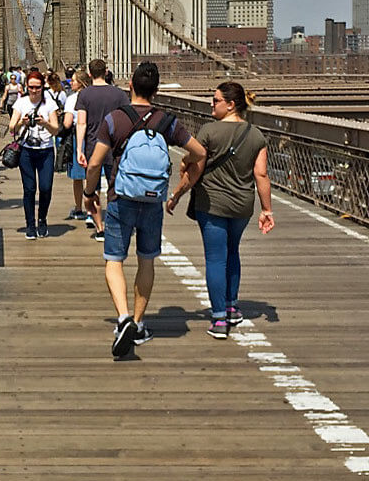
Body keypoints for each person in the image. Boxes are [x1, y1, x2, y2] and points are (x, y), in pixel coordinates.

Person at [85, 62, 206, 358]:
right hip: (153, 201)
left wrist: (89, 194)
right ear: (157, 90)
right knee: (147, 261)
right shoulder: (167, 121)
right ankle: (138, 324)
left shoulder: (115, 120)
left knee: (114, 259)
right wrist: (184, 163)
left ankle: (123, 318)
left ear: (130, 87)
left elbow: (95, 163)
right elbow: (201, 152)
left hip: (120, 198)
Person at [166, 81, 274, 339]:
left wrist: (176, 195)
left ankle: (218, 319)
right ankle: (231, 307)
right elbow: (261, 174)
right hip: (242, 206)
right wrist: (267, 210)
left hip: (211, 204)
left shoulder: (208, 132)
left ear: (231, 104)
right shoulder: (256, 134)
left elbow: (195, 171)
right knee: (232, 252)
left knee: (216, 258)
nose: (211, 104)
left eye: (215, 100)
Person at [76, 59, 129, 241]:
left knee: (93, 189)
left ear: (89, 74)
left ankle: (99, 228)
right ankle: (115, 226)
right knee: (115, 188)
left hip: (93, 146)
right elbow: (126, 121)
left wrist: (79, 149)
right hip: (115, 147)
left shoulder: (84, 95)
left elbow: (81, 123)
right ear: (106, 72)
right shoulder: (119, 94)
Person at [8, 70, 60, 239]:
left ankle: (42, 219)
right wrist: (21, 122)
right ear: (26, 87)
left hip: (45, 150)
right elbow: (11, 128)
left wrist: (44, 123)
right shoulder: (20, 103)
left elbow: (55, 129)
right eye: (31, 87)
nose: (34, 90)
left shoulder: (49, 104)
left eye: (37, 87)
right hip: (26, 152)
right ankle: (30, 225)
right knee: (29, 189)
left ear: (42, 87)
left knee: (45, 188)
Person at [62, 69, 91, 221]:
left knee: (78, 178)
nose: (70, 83)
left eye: (73, 81)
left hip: (77, 137)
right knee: (94, 177)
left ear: (80, 83)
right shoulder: (94, 96)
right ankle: (92, 212)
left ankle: (79, 209)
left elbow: (67, 123)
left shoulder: (72, 99)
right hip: (93, 138)